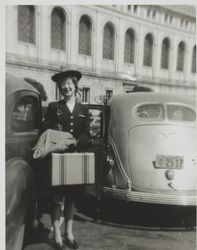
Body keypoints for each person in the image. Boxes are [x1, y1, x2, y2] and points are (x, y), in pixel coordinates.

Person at [41, 70, 90, 250]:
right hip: (58, 159)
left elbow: (87, 134)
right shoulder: (55, 107)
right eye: (63, 85)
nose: (66, 87)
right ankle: (56, 234)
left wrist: (78, 141)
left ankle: (69, 233)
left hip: (75, 159)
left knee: (71, 198)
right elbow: (45, 130)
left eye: (69, 84)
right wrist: (57, 133)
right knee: (57, 199)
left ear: (75, 86)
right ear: (60, 88)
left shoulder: (83, 110)